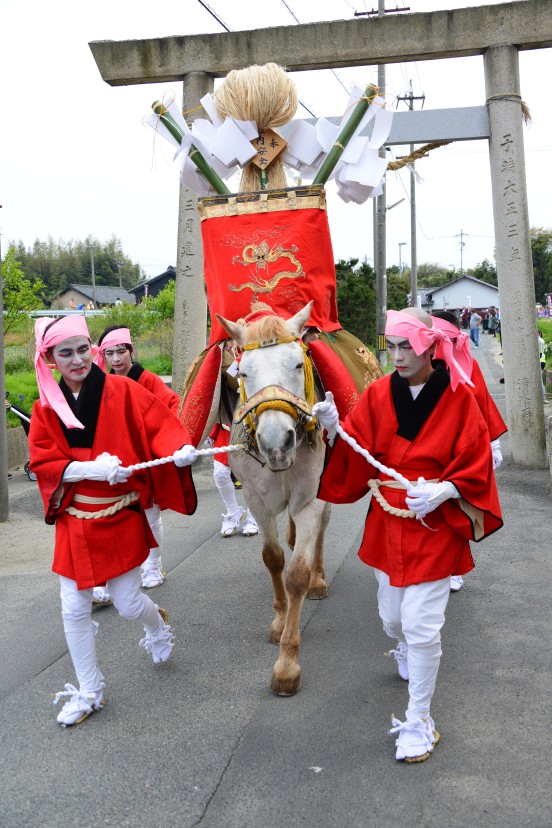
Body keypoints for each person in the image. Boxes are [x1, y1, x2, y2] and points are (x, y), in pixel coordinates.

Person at [313, 307, 502, 764]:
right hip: (389, 518)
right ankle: (402, 645)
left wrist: (447, 489)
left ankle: (419, 720)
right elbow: (359, 455)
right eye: (390, 346)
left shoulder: (460, 397)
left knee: (421, 626)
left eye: (405, 346)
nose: (396, 356)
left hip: (435, 523)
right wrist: (335, 431)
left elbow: (477, 458)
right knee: (393, 617)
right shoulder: (378, 394)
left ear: (430, 346)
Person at [29, 315, 198, 727]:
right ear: (50, 358)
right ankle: (90, 691)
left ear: (94, 349)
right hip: (75, 518)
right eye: (65, 353)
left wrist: (180, 448)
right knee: (73, 607)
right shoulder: (45, 405)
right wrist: (88, 469)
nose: (76, 360)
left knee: (126, 603)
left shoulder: (122, 390)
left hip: (118, 511)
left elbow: (160, 425)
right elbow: (44, 462)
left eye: (83, 349)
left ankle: (157, 625)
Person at [94, 324, 182, 593]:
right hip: (112, 460)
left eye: (121, 351)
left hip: (143, 458)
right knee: (112, 518)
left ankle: (153, 566)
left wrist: (167, 442)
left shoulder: (149, 380)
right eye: (109, 353)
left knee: (150, 514)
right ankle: (111, 575)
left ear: (132, 351)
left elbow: (172, 406)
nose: (116, 358)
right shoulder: (99, 383)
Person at [431, 310, 507, 591]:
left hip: (460, 447)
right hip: (424, 449)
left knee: (456, 509)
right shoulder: (417, 364)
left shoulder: (467, 363)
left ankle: (453, 567)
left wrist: (492, 444)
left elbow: (482, 402)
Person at [206, 422, 259, 537]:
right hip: (225, 429)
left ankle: (253, 515)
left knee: (254, 472)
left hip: (252, 424)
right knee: (220, 473)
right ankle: (233, 511)